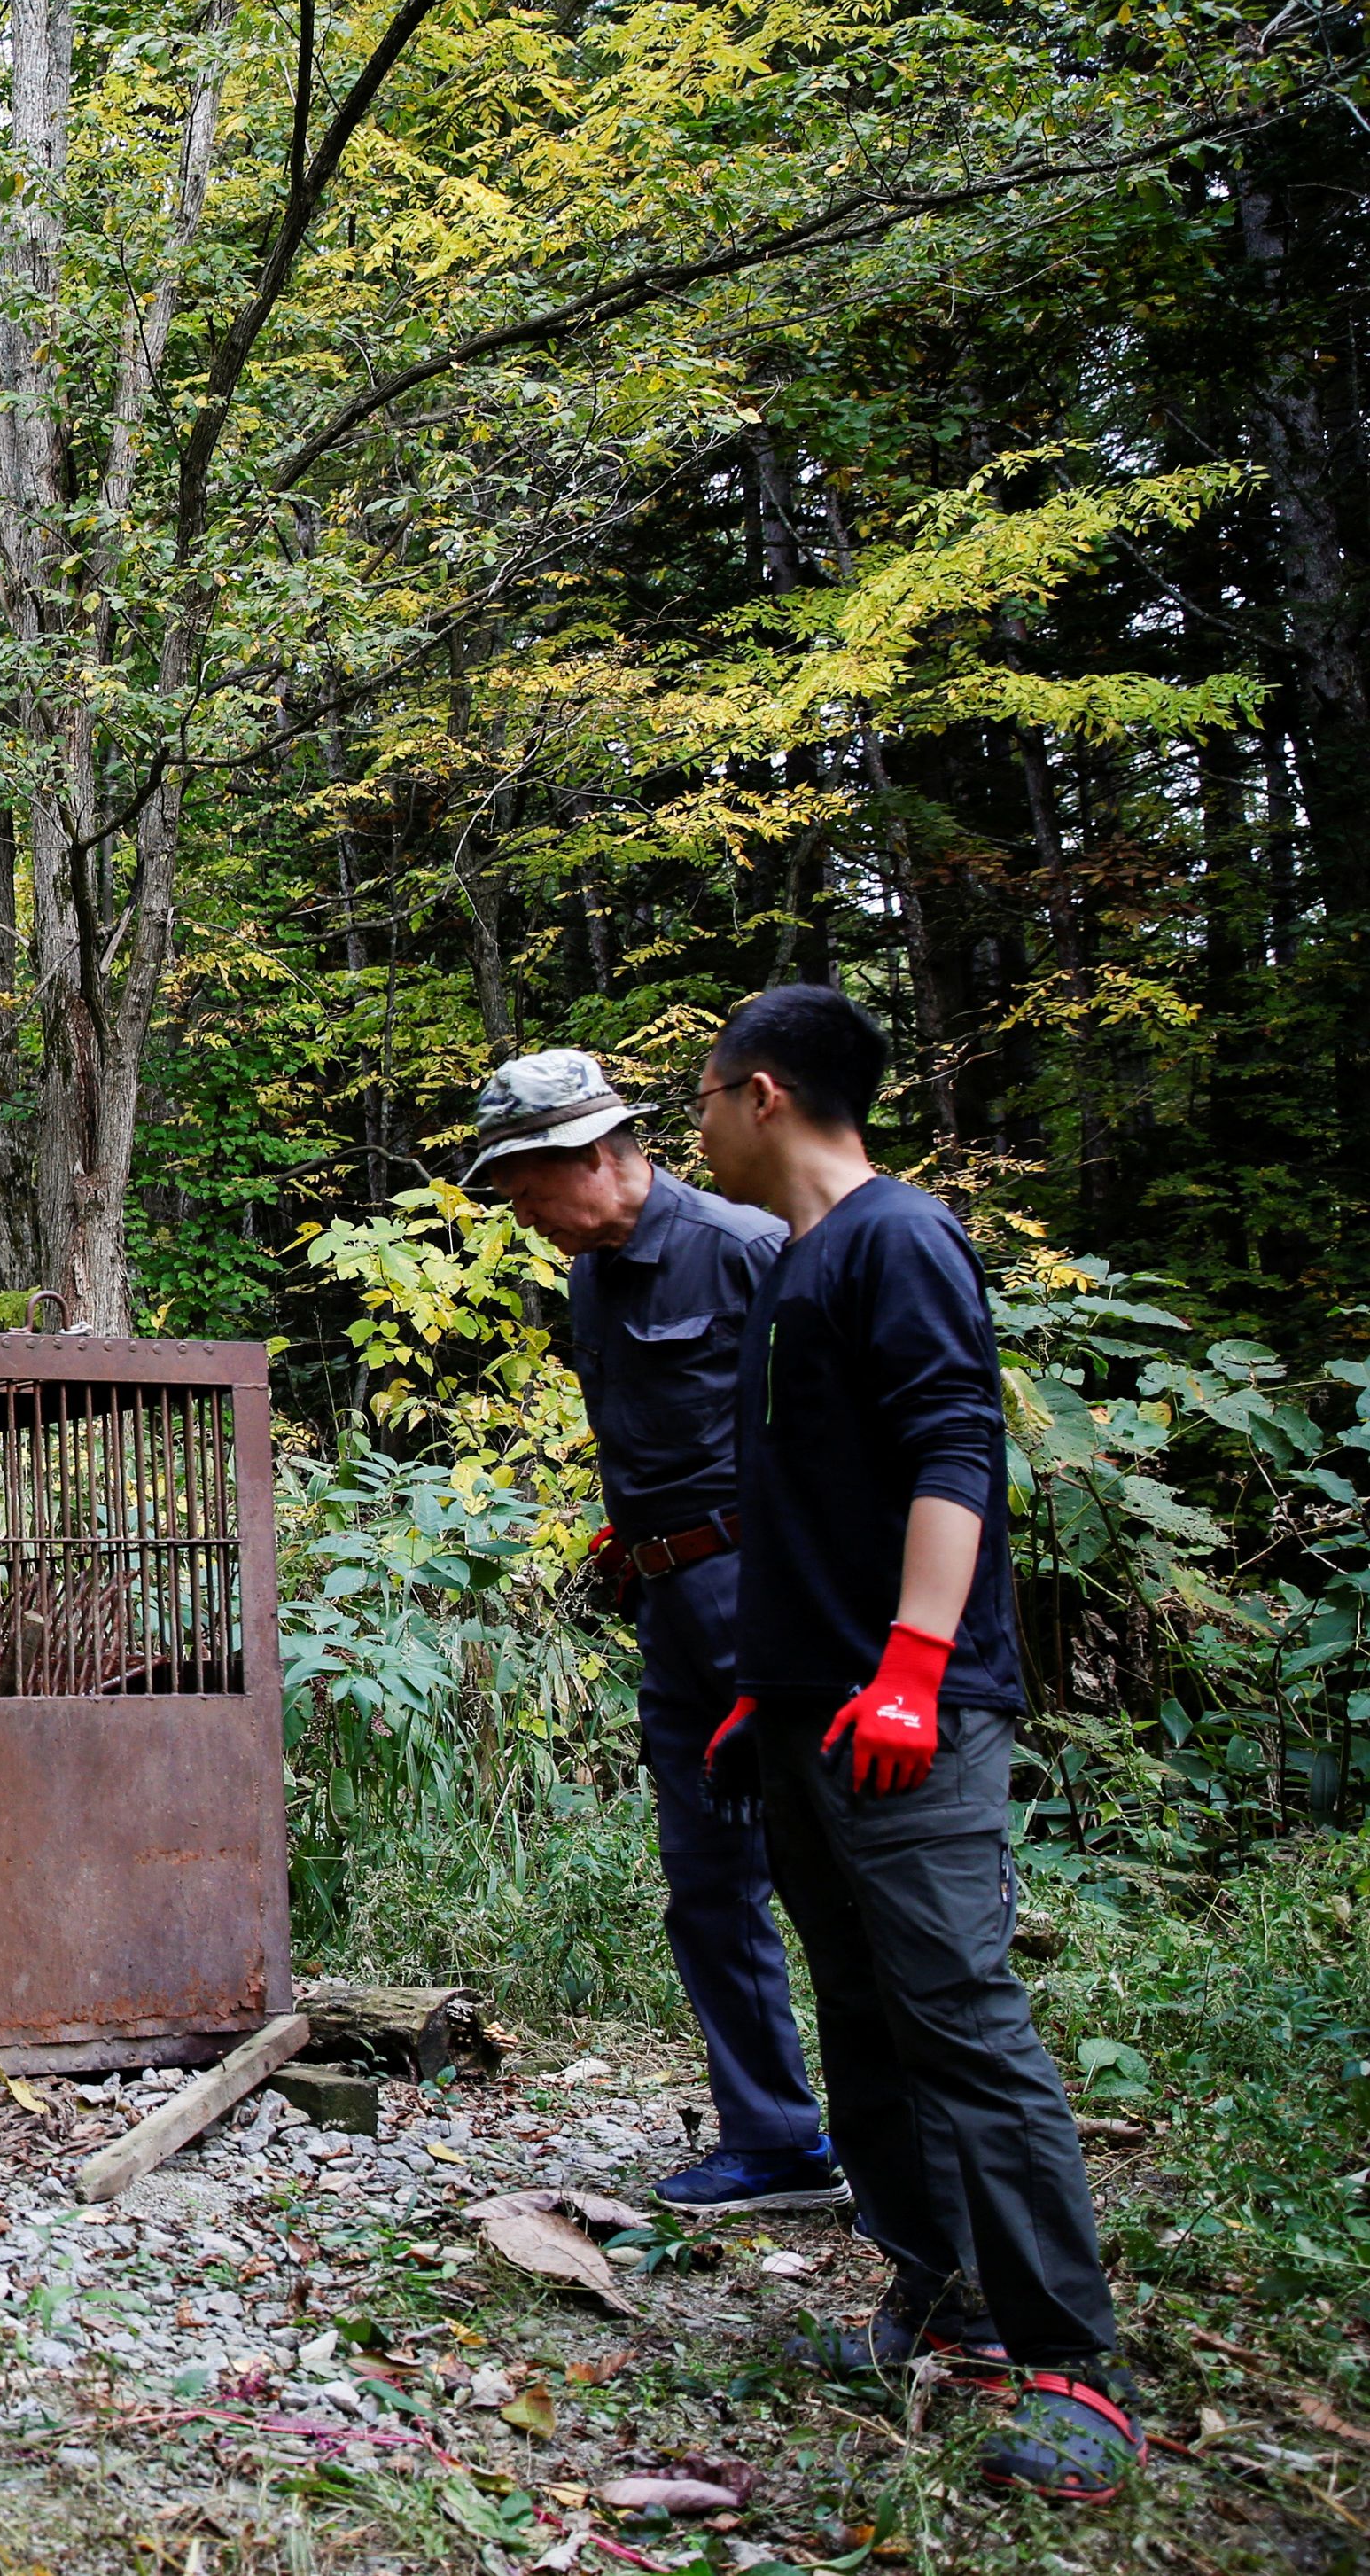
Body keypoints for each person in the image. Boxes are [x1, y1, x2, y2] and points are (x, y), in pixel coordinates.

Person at [694, 984, 1143, 2505]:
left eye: (699, 1099)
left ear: (763, 1094)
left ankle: (1076, 2369)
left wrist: (910, 1668)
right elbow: (823, 1506)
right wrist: (775, 1681)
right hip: (812, 1719)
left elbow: (958, 1448)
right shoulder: (797, 1266)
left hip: (911, 1722)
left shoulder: (899, 1238)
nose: (695, 1130)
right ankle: (939, 2309)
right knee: (868, 2017)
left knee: (961, 2018)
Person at [467, 1049, 842, 2218]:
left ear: (595, 1157)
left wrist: (780, 1625)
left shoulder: (743, 1248)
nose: (525, 1216)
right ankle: (776, 2141)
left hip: (761, 1601)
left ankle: (918, 2155)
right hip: (670, 1608)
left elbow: (820, 1457)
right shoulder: (593, 1278)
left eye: (531, 1190)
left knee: (827, 1872)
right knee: (706, 1880)